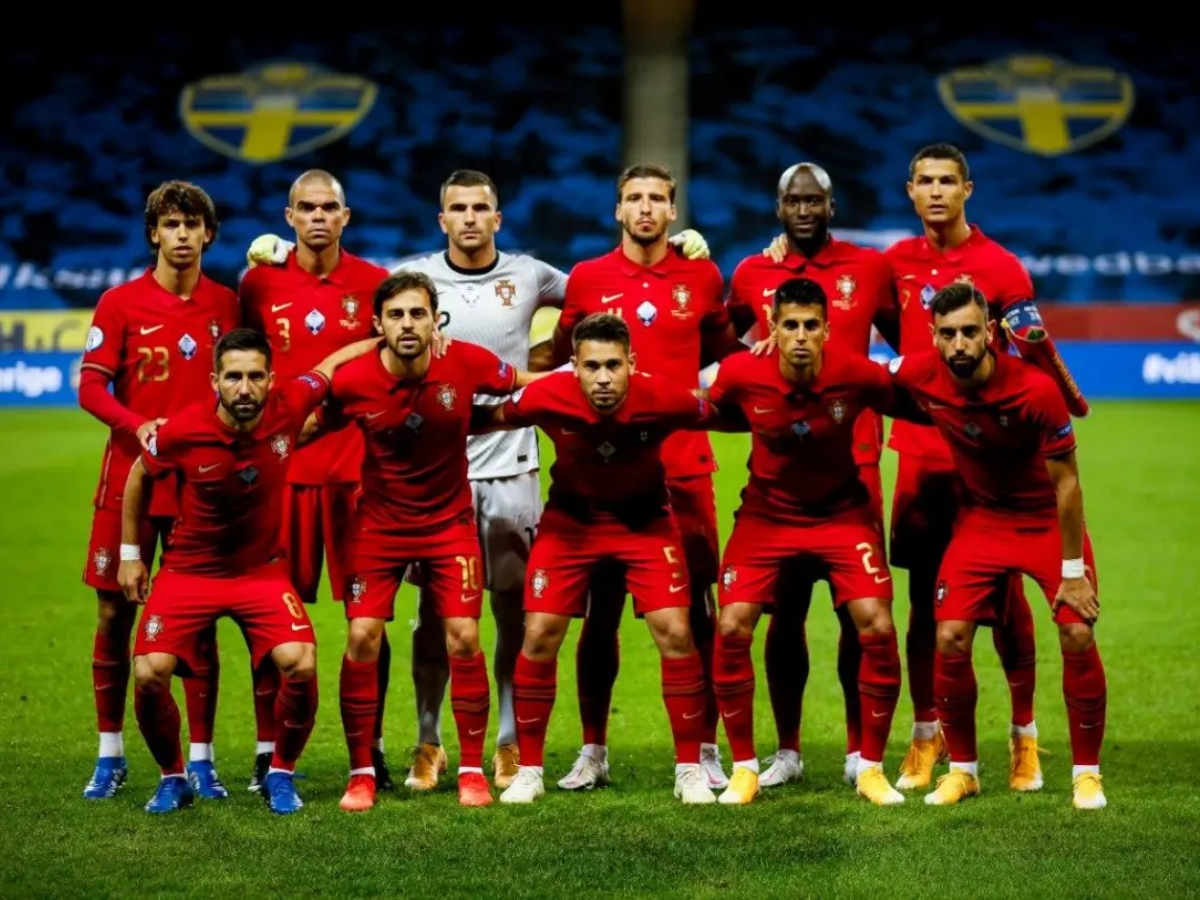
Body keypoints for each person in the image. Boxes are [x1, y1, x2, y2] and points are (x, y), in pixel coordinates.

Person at [394, 169, 713, 792]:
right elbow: (390, 349)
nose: (468, 218)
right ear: (442, 218)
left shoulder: (533, 275)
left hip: (531, 477)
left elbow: (621, 296)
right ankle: (433, 743)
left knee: (524, 618)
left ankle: (516, 748)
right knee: (442, 617)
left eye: (480, 207)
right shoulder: (414, 280)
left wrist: (678, 251)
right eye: (457, 208)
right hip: (454, 479)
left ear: (497, 217)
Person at [881, 143, 1088, 792]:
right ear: (910, 190)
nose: (937, 192)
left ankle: (1024, 734)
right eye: (925, 181)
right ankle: (927, 736)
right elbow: (888, 336)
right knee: (926, 604)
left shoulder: (1002, 267)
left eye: (948, 181)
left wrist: (1067, 395)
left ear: (967, 189)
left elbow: (1028, 352)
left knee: (1005, 601)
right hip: (922, 452)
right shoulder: (894, 263)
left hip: (991, 463)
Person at [116, 327, 375, 814]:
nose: (244, 388)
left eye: (256, 376)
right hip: (189, 572)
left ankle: (281, 773)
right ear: (214, 381)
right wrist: (131, 554)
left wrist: (388, 340)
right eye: (233, 377)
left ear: (271, 379)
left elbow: (333, 365)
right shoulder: (183, 430)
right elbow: (138, 476)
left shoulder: (289, 404)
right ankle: (173, 778)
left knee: (300, 661)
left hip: (260, 572)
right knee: (149, 673)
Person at [476, 312, 731, 805]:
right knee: (538, 634)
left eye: (614, 365)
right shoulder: (547, 395)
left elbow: (725, 414)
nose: (604, 378)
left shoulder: (662, 396)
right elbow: (488, 419)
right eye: (592, 366)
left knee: (676, 633)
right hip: (571, 527)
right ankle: (530, 770)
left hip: (645, 525)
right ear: (573, 365)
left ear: (632, 362)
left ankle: (689, 769)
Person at [312, 270, 544, 811]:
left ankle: (471, 771)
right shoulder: (353, 380)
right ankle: (361, 774)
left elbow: (522, 382)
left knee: (463, 636)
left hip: (447, 525)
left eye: (418, 313)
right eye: (396, 315)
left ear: (436, 319)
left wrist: (581, 381)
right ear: (378, 325)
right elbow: (309, 425)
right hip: (378, 528)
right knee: (362, 637)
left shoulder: (465, 361)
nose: (408, 324)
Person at [549, 163, 743, 792]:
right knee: (599, 612)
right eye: (634, 197)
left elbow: (725, 356)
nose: (645, 208)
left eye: (657, 198)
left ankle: (705, 748)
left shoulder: (702, 276)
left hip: (684, 469)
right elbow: (561, 361)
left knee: (697, 612)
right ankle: (593, 750)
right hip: (603, 474)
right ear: (618, 210)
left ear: (672, 210)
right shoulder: (587, 277)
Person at [886, 283, 1107, 810]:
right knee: (949, 637)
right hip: (982, 522)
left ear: (989, 332)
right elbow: (861, 373)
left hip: (1044, 522)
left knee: (1077, 632)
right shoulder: (919, 373)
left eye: (969, 332)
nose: (959, 344)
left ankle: (1087, 774)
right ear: (933, 337)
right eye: (948, 334)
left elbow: (1068, 485)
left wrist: (1073, 572)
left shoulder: (1035, 390)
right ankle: (963, 771)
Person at [706, 277, 910, 806]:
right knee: (731, 625)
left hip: (842, 516)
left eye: (811, 326)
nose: (800, 336)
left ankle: (870, 767)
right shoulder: (741, 373)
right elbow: (707, 410)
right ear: (772, 329)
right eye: (790, 325)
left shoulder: (857, 373)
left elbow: (914, 402)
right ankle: (746, 768)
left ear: (827, 330)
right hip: (766, 518)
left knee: (877, 624)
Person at [727, 162, 899, 788]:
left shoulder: (869, 268)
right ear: (779, 208)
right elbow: (717, 342)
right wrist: (750, 370)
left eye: (814, 201)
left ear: (831, 205)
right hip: (779, 473)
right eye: (793, 201)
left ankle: (859, 750)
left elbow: (907, 344)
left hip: (856, 465)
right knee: (784, 613)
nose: (803, 211)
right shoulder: (753, 272)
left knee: (861, 614)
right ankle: (788, 751)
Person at [78, 180, 238, 801]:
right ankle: (109, 753)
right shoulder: (119, 303)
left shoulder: (228, 304)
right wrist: (138, 424)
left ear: (208, 234)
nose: (181, 234)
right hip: (129, 482)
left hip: (202, 486)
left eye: (191, 224)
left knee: (199, 619)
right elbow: (91, 388)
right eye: (170, 224)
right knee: (113, 612)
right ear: (154, 234)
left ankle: (201, 759)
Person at [240, 169, 393, 792]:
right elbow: (240, 363)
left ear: (346, 216)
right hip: (280, 477)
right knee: (269, 619)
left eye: (330, 207)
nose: (319, 217)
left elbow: (389, 361)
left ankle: (371, 750)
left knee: (369, 621)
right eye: (307, 208)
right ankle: (267, 751)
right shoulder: (258, 283)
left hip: (357, 473)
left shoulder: (374, 283)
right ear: (289, 217)